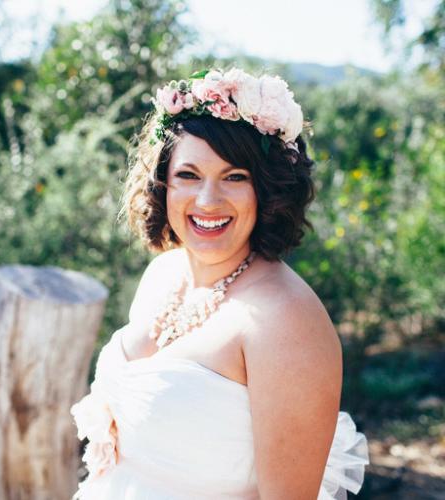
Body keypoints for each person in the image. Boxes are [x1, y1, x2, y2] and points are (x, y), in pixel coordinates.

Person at [70, 68, 369, 499]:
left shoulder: (286, 320)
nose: (208, 201)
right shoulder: (162, 273)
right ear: (162, 186)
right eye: (188, 176)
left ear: (265, 189)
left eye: (234, 177)